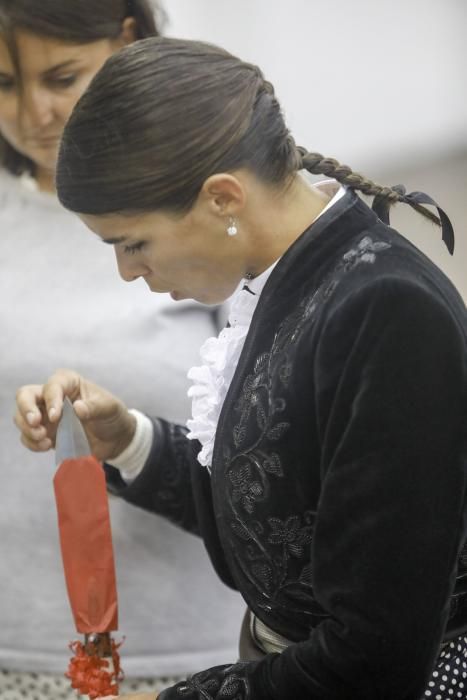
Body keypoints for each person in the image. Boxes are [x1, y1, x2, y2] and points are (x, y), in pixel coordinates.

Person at [14, 36, 467, 700]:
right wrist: (130, 441)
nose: (127, 271)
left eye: (133, 242)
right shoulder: (282, 275)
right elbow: (278, 521)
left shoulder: (387, 311)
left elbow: (372, 654)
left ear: (223, 198)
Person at [0, 8, 243, 699]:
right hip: (11, 646)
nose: (33, 112)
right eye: (3, 83)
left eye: (62, 76)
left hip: (193, 650)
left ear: (128, 41)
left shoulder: (212, 211)